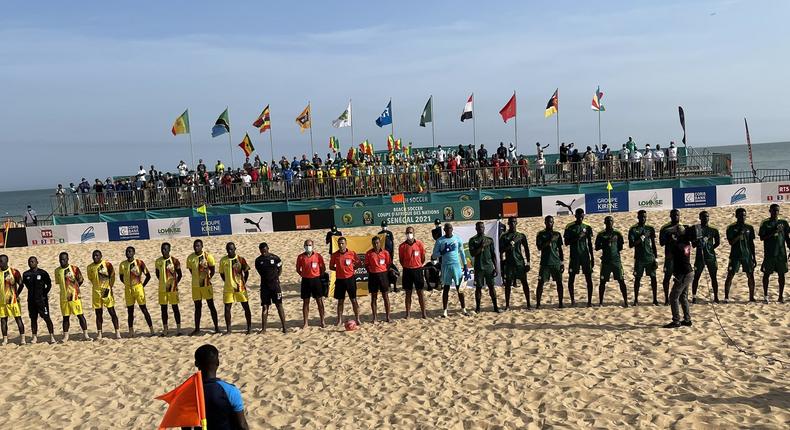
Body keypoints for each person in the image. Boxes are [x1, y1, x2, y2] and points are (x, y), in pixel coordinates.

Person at [189, 344, 250, 430]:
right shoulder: (230, 390)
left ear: (196, 364)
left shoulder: (188, 392)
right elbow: (242, 425)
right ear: (218, 362)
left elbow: (186, 426)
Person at [432, 223, 469, 317]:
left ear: (452, 229)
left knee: (459, 288)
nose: (448, 230)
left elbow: (462, 253)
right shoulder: (440, 241)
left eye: (450, 228)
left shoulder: (457, 239)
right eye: (447, 229)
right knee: (446, 289)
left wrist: (465, 265)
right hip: (445, 266)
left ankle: (463, 309)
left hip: (456, 266)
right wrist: (443, 252)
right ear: (444, 230)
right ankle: (445, 310)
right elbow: (434, 255)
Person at [54, 252, 91, 342]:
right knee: (65, 317)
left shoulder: (74, 269)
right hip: (63, 298)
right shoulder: (57, 270)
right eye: (60, 259)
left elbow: (80, 280)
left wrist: (75, 289)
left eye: (64, 259)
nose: (62, 261)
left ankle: (86, 334)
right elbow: (59, 282)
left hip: (74, 297)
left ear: (67, 259)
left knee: (80, 315)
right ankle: (66, 336)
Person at [663, 224, 694, 328]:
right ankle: (687, 319)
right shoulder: (687, 243)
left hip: (683, 273)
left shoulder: (677, 246)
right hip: (688, 272)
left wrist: (671, 242)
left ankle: (676, 320)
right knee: (683, 296)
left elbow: (669, 256)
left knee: (673, 297)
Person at [187, 239, 220, 335]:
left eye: (198, 246)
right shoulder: (190, 258)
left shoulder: (208, 256)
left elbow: (213, 270)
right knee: (197, 307)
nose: (196, 247)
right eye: (195, 246)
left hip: (206, 285)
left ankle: (217, 327)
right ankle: (197, 329)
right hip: (195, 286)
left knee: (211, 305)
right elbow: (191, 271)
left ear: (202, 246)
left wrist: (208, 278)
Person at [119, 246, 154, 337]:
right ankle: (131, 331)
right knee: (130, 311)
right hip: (128, 289)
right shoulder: (122, 264)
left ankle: (152, 330)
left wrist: (142, 285)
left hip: (138, 288)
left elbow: (148, 276)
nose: (128, 253)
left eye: (130, 251)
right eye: (127, 251)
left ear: (134, 253)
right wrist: (127, 284)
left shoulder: (139, 263)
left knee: (144, 309)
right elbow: (121, 277)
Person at [724, 208, 757, 303]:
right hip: (735, 255)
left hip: (747, 255)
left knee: (750, 275)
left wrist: (753, 257)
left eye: (744, 215)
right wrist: (739, 234)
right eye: (741, 215)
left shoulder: (749, 227)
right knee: (730, 275)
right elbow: (731, 242)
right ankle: (726, 297)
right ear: (736, 216)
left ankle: (751, 297)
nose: (743, 217)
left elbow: (751, 243)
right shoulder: (731, 227)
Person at [758, 203, 790, 303]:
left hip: (781, 254)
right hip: (770, 253)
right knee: (766, 274)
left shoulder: (784, 222)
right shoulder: (765, 223)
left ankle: (780, 296)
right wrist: (774, 231)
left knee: (782, 275)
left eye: (777, 210)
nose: (775, 212)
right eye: (774, 210)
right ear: (770, 211)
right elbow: (762, 238)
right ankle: (766, 295)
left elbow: (787, 238)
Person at [86, 250, 121, 339]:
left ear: (101, 256)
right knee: (98, 313)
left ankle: (117, 332)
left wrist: (110, 287)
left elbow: (112, 276)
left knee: (111, 311)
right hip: (96, 292)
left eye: (97, 255)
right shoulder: (90, 267)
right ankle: (99, 333)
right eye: (93, 256)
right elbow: (91, 278)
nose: (95, 257)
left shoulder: (107, 264)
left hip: (106, 290)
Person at [595, 216, 629, 307]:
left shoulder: (617, 233)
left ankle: (626, 301)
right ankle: (601, 302)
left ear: (613, 222)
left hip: (616, 261)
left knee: (621, 280)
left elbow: (620, 247)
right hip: (605, 261)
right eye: (607, 221)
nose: (609, 223)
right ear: (604, 223)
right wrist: (604, 244)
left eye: (611, 221)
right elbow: (596, 247)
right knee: (602, 282)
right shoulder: (601, 234)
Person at [564, 208, 595, 307]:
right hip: (574, 256)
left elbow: (589, 243)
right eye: (579, 216)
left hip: (585, 256)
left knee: (588, 278)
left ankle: (589, 301)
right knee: (571, 278)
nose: (581, 218)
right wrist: (577, 237)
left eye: (582, 216)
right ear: (575, 216)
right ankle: (572, 300)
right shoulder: (569, 227)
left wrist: (592, 257)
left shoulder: (587, 227)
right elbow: (566, 243)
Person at [20, 256, 55, 343]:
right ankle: (34, 337)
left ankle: (52, 336)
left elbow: (49, 284)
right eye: (29, 262)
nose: (31, 263)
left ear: (37, 262)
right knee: (33, 318)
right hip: (31, 300)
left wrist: (45, 293)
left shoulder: (43, 273)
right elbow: (25, 285)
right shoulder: (26, 274)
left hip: (42, 300)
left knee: (46, 318)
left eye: (32, 261)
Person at [219, 242, 252, 334]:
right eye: (228, 249)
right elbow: (222, 274)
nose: (229, 251)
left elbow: (247, 271)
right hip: (228, 288)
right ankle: (229, 330)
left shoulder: (241, 259)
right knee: (227, 308)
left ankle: (249, 327)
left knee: (245, 307)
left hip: (240, 288)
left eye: (231, 249)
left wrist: (244, 281)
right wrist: (227, 281)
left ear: (235, 249)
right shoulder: (223, 260)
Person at [499, 217, 531, 310]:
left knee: (524, 283)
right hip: (509, 264)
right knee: (508, 284)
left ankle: (528, 304)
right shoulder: (504, 236)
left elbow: (526, 249)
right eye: (511, 222)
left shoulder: (521, 235)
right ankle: (507, 305)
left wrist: (528, 263)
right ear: (508, 223)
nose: (512, 223)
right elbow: (501, 250)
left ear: (516, 223)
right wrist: (508, 246)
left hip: (520, 263)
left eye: (514, 222)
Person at [329, 237, 362, 325]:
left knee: (354, 300)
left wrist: (352, 269)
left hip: (350, 279)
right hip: (340, 280)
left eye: (342, 243)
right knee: (340, 301)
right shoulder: (335, 255)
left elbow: (359, 263)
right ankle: (339, 320)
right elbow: (331, 267)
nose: (341, 245)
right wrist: (339, 269)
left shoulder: (352, 253)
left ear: (346, 244)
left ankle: (358, 318)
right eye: (339, 243)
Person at [629, 210, 659, 306]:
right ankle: (636, 300)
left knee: (653, 278)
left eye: (645, 217)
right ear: (638, 217)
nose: (643, 219)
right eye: (641, 217)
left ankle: (655, 299)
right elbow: (631, 245)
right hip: (639, 259)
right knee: (638, 278)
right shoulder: (633, 229)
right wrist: (642, 237)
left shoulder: (650, 228)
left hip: (650, 258)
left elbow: (654, 245)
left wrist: (656, 259)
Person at [255, 242, 286, 333]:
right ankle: (264, 329)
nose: (264, 252)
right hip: (265, 286)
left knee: (279, 305)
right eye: (262, 251)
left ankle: (284, 327)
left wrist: (276, 277)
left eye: (265, 250)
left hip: (275, 286)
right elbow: (259, 271)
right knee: (265, 307)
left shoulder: (275, 258)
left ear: (268, 248)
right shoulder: (258, 260)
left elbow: (280, 269)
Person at [470, 221, 500, 313]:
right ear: (476, 229)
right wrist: (481, 247)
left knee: (491, 287)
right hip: (479, 268)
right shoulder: (473, 240)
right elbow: (473, 253)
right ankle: (478, 308)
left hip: (489, 267)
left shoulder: (489, 240)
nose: (481, 229)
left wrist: (496, 267)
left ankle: (495, 307)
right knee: (478, 288)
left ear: (484, 228)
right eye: (479, 227)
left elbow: (493, 254)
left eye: (482, 227)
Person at [690, 211, 720, 303]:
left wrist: (710, 248)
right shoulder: (697, 229)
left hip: (711, 257)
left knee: (713, 277)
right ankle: (694, 297)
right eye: (703, 217)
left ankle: (716, 297)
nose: (705, 218)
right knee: (696, 277)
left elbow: (717, 242)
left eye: (707, 216)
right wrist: (697, 242)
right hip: (700, 257)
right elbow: (693, 244)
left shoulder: (713, 229)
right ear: (700, 218)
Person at [535, 216, 565, 308]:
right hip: (545, 262)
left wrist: (562, 262)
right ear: (545, 223)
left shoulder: (557, 234)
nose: (549, 223)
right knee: (541, 283)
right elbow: (539, 247)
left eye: (551, 222)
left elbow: (560, 249)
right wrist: (549, 241)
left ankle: (560, 303)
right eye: (548, 222)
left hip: (556, 262)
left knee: (559, 283)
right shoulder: (540, 234)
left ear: (553, 222)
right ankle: (538, 304)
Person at [296, 239, 326, 328]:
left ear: (313, 246)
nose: (308, 247)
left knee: (319, 301)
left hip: (316, 280)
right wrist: (304, 275)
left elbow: (323, 268)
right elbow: (298, 269)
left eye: (309, 245)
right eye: (306, 245)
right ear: (304, 246)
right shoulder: (300, 257)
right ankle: (305, 322)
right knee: (306, 302)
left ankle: (322, 321)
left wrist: (318, 275)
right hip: (305, 280)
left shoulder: (318, 256)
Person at [399, 226, 427, 318]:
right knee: (408, 293)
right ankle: (408, 314)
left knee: (420, 292)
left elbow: (423, 258)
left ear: (414, 233)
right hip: (407, 270)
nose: (409, 234)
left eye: (410, 232)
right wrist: (408, 266)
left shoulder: (419, 244)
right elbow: (401, 260)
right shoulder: (402, 246)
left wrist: (418, 264)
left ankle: (423, 313)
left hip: (418, 269)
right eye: (407, 233)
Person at [155, 242, 183, 335]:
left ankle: (178, 329)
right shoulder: (158, 261)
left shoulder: (175, 261)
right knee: (163, 309)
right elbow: (157, 274)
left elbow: (180, 274)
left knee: (175, 308)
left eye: (165, 249)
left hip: (173, 290)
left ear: (169, 250)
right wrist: (163, 282)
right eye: (162, 249)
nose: (163, 250)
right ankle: (165, 329)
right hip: (162, 289)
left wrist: (174, 284)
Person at [365, 236, 392, 323]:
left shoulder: (385, 253)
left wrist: (383, 271)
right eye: (374, 243)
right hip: (373, 276)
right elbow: (366, 265)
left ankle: (388, 317)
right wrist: (373, 271)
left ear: (380, 243)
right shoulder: (369, 253)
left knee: (385, 296)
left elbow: (388, 264)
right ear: (372, 244)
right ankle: (375, 317)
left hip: (383, 275)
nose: (376, 245)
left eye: (377, 243)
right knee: (373, 297)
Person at [0, 255, 25, 345]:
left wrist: (17, 294)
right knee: (3, 320)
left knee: (18, 319)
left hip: (13, 301)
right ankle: (5, 339)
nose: (0, 263)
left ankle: (22, 339)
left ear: (7, 261)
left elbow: (21, 284)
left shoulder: (14, 272)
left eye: (2, 261)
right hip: (2, 302)